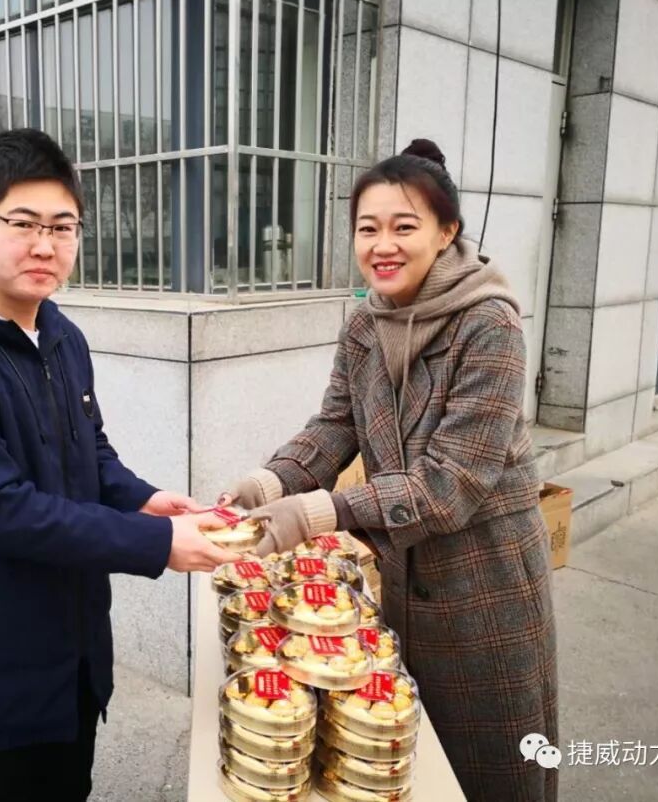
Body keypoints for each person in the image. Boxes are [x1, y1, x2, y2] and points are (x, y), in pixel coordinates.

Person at [0, 129, 237, 802]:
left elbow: (89, 451)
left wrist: (145, 499)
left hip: (71, 665)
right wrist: (159, 542)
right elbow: (0, 510)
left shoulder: (61, 334)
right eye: (23, 224)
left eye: (63, 227)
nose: (45, 245)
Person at [218, 139, 558, 802]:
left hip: (485, 581)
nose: (383, 245)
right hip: (405, 574)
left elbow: (453, 482)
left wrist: (320, 513)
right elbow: (335, 426)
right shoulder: (366, 324)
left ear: (447, 231)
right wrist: (269, 482)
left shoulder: (490, 324)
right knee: (397, 755)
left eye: (404, 227)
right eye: (367, 229)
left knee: (493, 765)